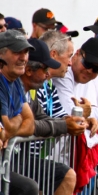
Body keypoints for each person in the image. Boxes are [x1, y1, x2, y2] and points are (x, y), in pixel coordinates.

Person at [20, 38, 80, 195]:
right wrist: (65, 125)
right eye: (45, 69)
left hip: (20, 158)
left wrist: (68, 122)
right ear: (28, 70)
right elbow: (29, 125)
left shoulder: (29, 92)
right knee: (29, 187)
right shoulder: (14, 89)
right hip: (11, 159)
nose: (48, 74)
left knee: (67, 174)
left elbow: (41, 118)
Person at [0, 29, 39, 195]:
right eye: (17, 52)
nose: (23, 58)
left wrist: (8, 129)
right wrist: (16, 121)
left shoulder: (16, 82)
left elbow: (30, 124)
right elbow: (10, 126)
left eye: (26, 52)